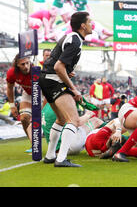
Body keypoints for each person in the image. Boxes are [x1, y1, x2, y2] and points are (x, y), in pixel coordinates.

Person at [39, 11, 92, 167]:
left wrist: (67, 70)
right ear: (83, 25)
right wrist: (74, 89)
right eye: (89, 22)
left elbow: (58, 63)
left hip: (46, 79)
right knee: (73, 120)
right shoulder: (75, 41)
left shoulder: (72, 38)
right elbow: (58, 67)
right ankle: (61, 159)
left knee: (62, 120)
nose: (91, 24)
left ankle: (50, 156)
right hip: (54, 81)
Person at [6, 54, 33, 147]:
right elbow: (9, 88)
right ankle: (34, 144)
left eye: (27, 63)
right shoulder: (12, 73)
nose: (26, 66)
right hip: (28, 94)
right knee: (23, 118)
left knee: (48, 119)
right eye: (22, 64)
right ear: (17, 64)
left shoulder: (37, 69)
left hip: (43, 93)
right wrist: (12, 106)